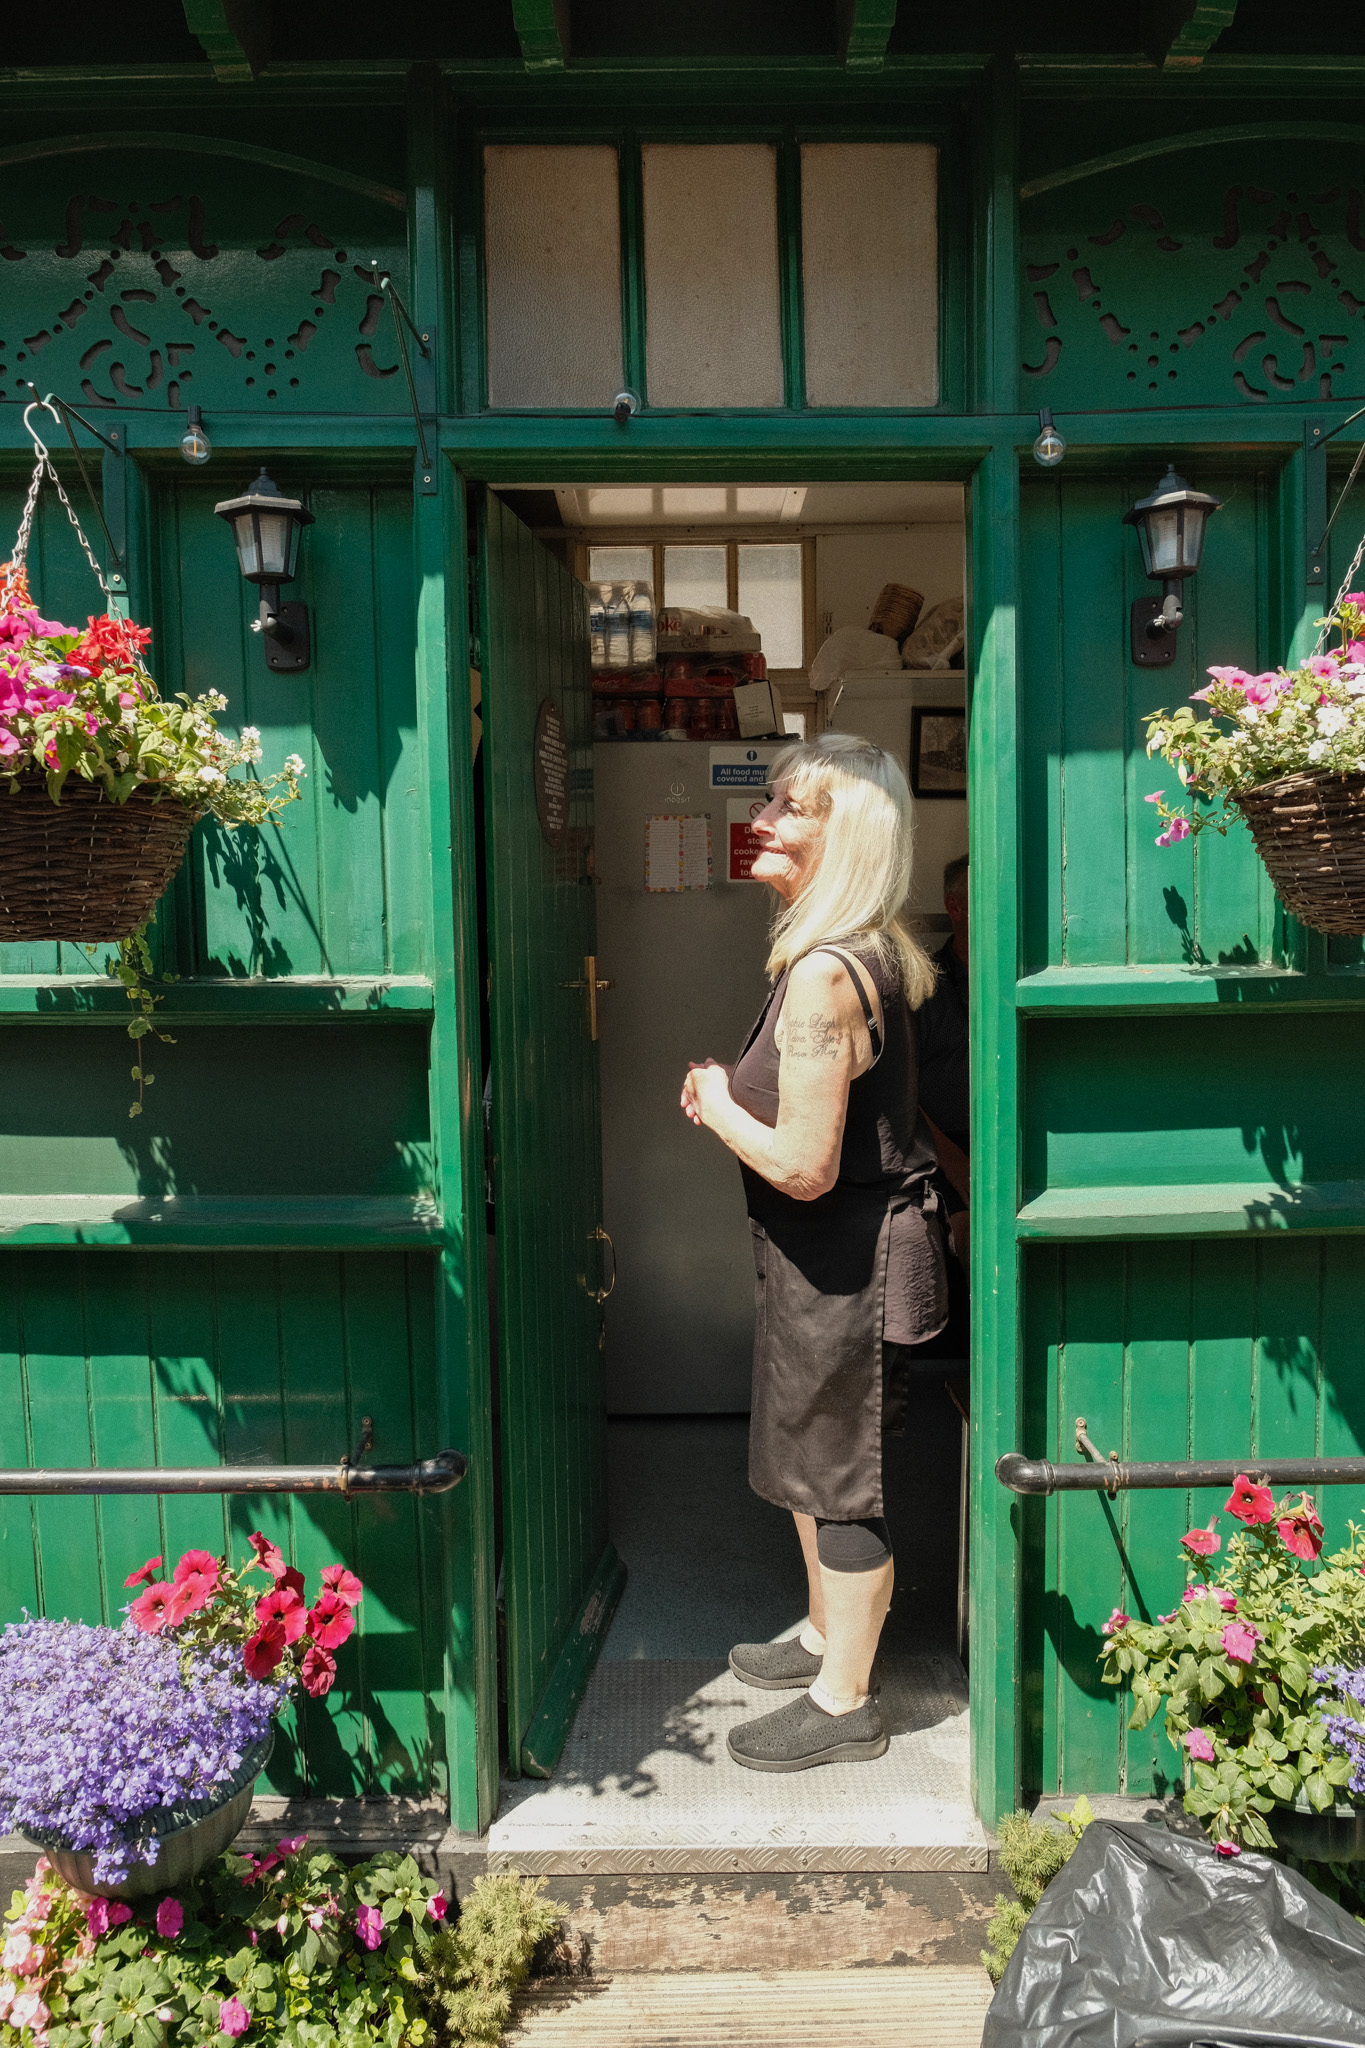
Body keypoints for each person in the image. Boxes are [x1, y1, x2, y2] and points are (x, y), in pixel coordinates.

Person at [680, 733, 948, 1773]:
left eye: (793, 806)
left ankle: (846, 1702)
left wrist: (710, 1101)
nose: (768, 816)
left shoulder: (825, 977)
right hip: (819, 1263)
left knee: (843, 1479)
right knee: (810, 1454)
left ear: (844, 835)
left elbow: (800, 1163)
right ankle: (823, 1632)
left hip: (850, 1265)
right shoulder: (840, 950)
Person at [917, 853, 969, 1266]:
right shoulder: (924, 985)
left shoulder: (1021, 976)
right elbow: (899, 1094)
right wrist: (959, 1171)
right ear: (954, 907)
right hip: (941, 1161)